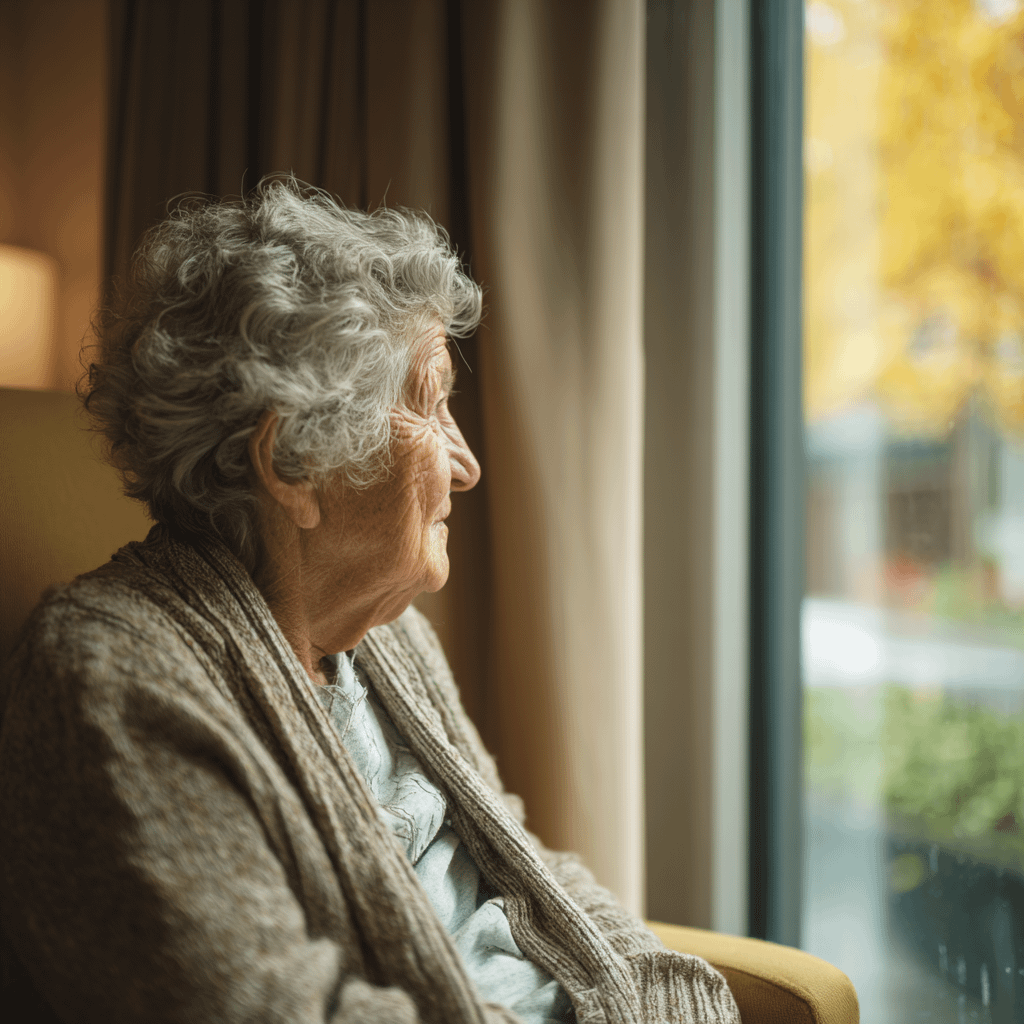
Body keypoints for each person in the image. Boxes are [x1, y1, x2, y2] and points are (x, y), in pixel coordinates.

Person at [0, 180, 739, 1024]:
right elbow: (266, 1008)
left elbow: (521, 868)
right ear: (295, 466)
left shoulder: (388, 640)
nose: (466, 464)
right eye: (428, 404)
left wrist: (658, 992)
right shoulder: (109, 677)